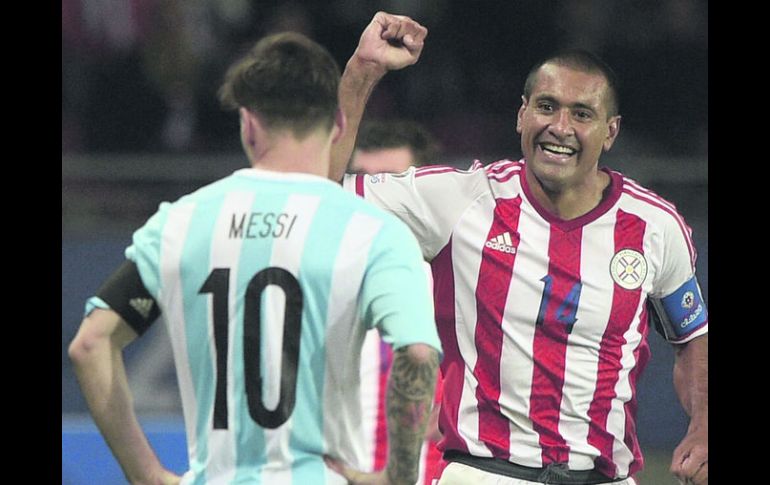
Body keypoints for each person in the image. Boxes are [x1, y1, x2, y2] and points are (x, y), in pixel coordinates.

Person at [326, 11, 708, 485]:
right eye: (546, 107)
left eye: (582, 114)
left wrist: (704, 426)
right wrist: (363, 69)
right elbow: (320, 194)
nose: (561, 126)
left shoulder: (654, 226)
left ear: (610, 132)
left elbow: (692, 338)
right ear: (521, 114)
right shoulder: (461, 200)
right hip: (483, 472)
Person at [68, 30, 442, 485]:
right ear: (339, 126)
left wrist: (147, 476)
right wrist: (395, 478)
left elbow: (90, 346)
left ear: (247, 123)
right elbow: (419, 356)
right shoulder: (371, 231)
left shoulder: (180, 223)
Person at [350, 119, 446, 485]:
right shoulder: (320, 277)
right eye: (360, 180)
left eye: (388, 184)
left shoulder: (463, 279)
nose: (372, 200)